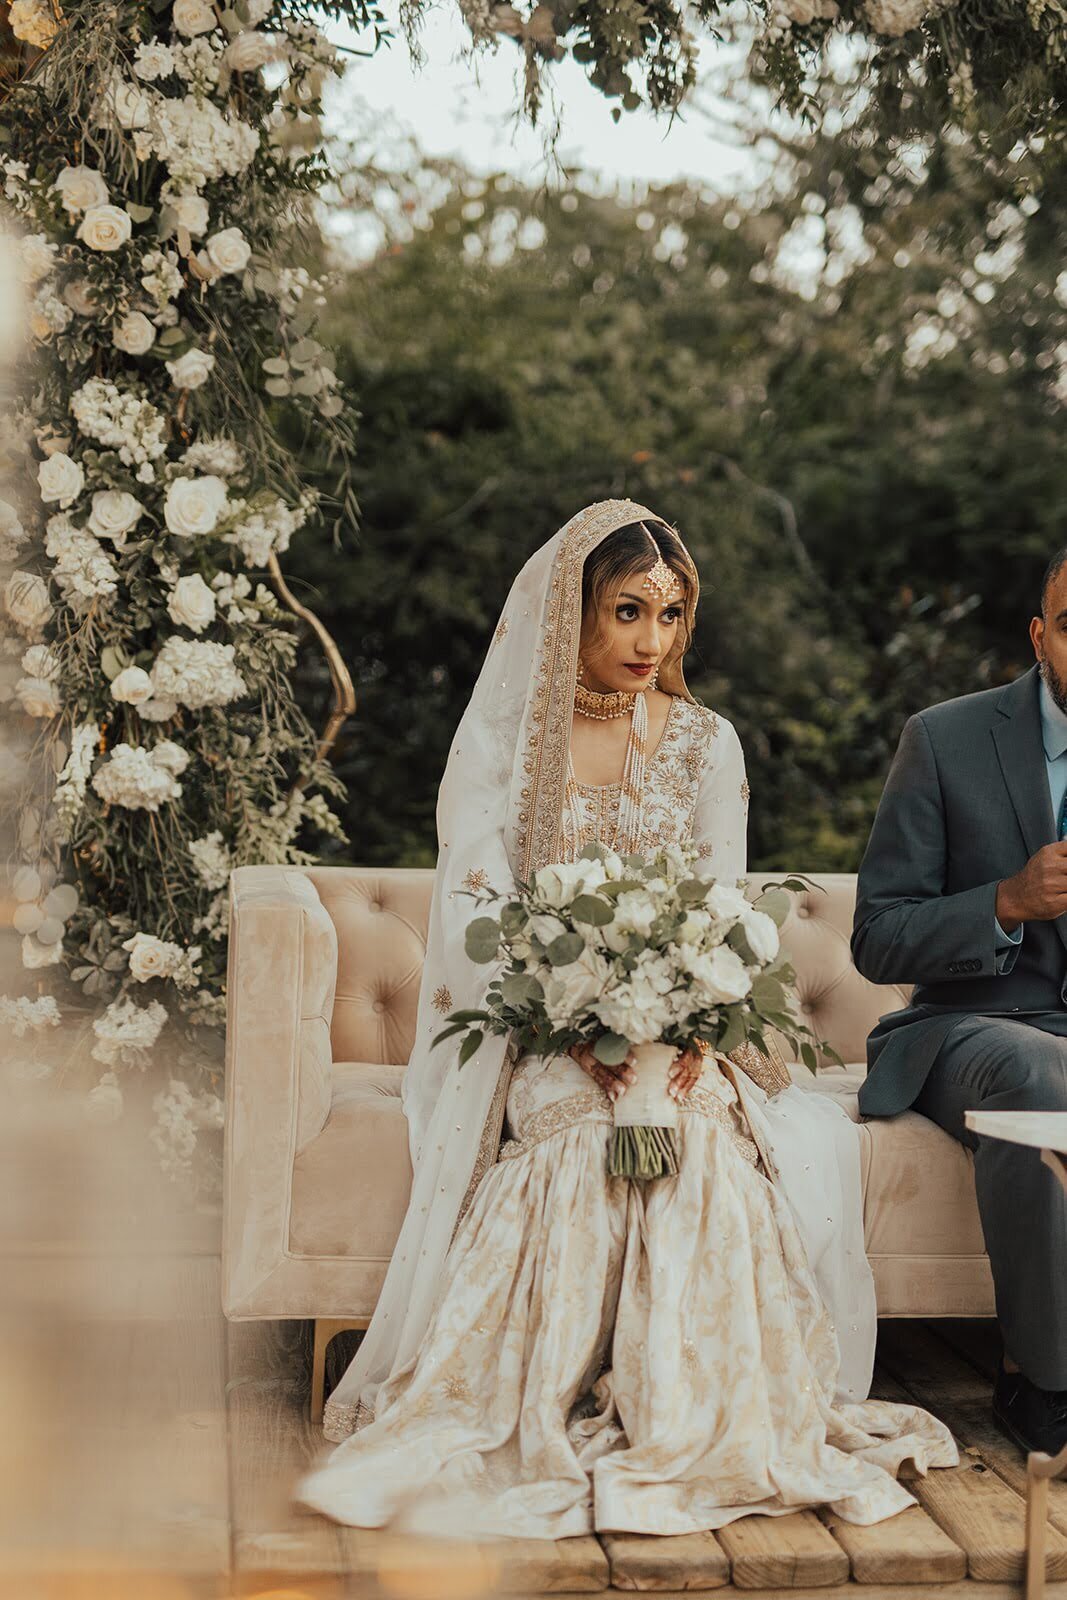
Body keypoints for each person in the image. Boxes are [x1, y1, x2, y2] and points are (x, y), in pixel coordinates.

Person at [294, 499, 957, 1537]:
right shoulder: (507, 752)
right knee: (583, 1151)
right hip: (543, 1032)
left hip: (683, 1033)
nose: (651, 639)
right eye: (627, 610)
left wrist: (687, 1027)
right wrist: (571, 1021)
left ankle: (687, 1416)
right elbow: (480, 920)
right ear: (572, 611)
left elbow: (724, 910)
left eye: (671, 614)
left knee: (700, 1154)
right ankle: (547, 1397)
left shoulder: (706, 744)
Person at [852, 550, 1067, 1459]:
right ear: (1039, 634)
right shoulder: (943, 737)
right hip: (971, 1031)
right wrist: (1005, 902)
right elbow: (877, 936)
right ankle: (1046, 1379)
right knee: (1035, 1070)